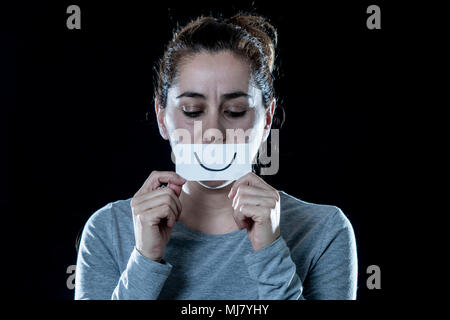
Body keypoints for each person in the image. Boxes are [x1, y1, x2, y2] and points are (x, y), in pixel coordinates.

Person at [74, 13, 358, 300]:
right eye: (192, 111)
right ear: (162, 118)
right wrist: (145, 259)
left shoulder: (324, 230)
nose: (213, 132)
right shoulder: (108, 230)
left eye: (235, 111)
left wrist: (270, 250)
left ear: (267, 118)